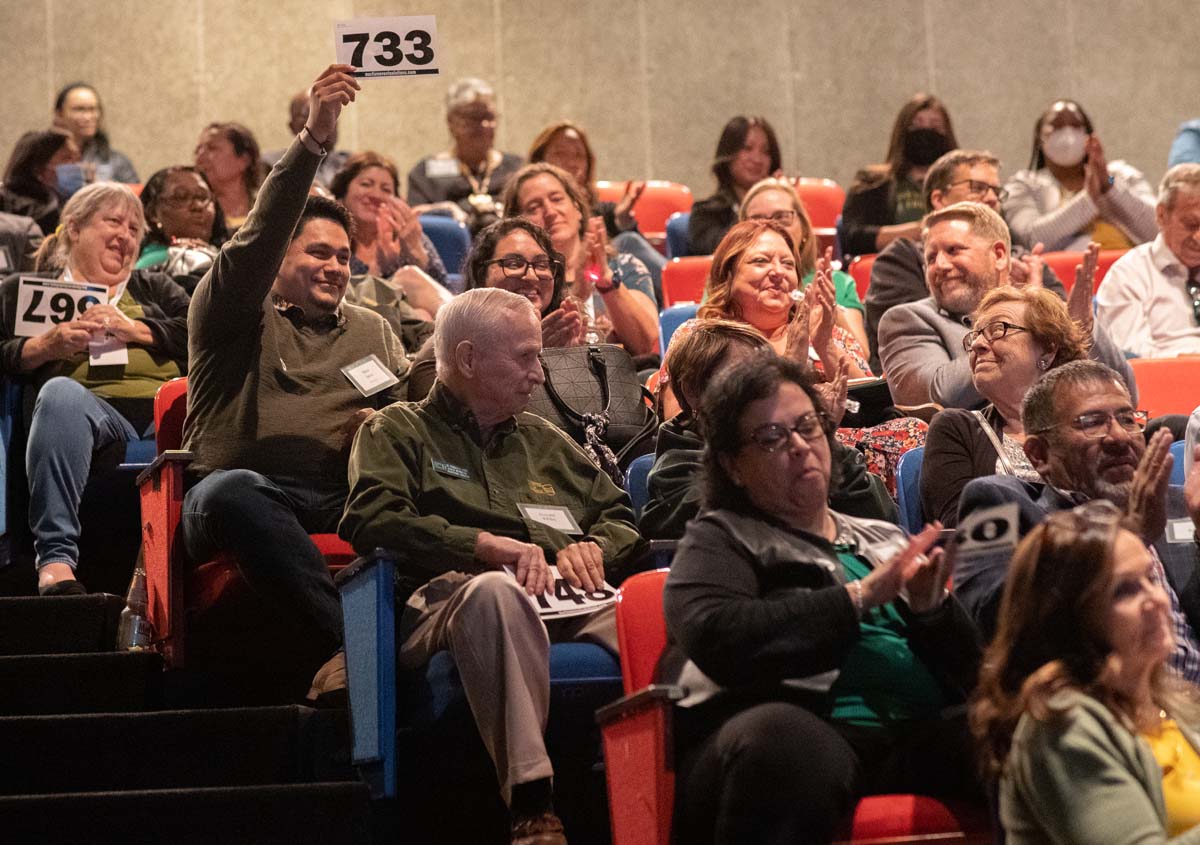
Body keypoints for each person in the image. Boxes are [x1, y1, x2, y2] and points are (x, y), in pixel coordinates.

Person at [339, 287, 644, 845]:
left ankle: (678, 786)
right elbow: (372, 520)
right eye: (525, 357)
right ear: (469, 358)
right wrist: (484, 546)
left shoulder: (545, 440)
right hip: (446, 602)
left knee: (659, 609)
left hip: (565, 596)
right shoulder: (396, 430)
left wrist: (597, 547)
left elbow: (619, 516)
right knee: (493, 595)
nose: (539, 373)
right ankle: (532, 806)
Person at [662, 353, 981, 844]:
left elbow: (975, 672)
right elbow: (715, 632)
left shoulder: (880, 536)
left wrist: (932, 612)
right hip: (811, 728)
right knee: (784, 743)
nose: (799, 446)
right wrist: (857, 597)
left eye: (806, 426)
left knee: (1032, 726)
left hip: (914, 734)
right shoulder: (721, 538)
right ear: (733, 465)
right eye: (771, 438)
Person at [181, 66, 409, 686]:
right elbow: (255, 237)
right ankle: (367, 648)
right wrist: (314, 140)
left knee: (413, 507)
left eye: (343, 256)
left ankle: (380, 655)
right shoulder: (231, 308)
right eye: (317, 252)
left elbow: (415, 410)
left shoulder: (373, 330)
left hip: (343, 498)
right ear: (279, 256)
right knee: (237, 490)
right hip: (237, 499)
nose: (335, 266)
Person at [954, 361, 1200, 687]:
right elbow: (990, 621)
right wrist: (1127, 540)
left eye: (1128, 419)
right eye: (1092, 423)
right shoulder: (990, 503)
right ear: (1039, 454)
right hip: (1103, 711)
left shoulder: (1179, 503)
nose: (1118, 437)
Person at [970, 499, 1200, 844]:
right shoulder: (1061, 724)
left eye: (1150, 577)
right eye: (1125, 589)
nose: (1156, 599)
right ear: (1071, 616)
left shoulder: (1171, 698)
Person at [0, 182, 189, 594]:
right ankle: (55, 563)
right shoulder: (23, 291)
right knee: (60, 394)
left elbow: (200, 334)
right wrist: (45, 345)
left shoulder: (154, 287)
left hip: (166, 415)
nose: (125, 235)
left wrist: (135, 329)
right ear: (73, 228)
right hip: (91, 415)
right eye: (114, 222)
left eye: (135, 229)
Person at [658, 219, 925, 489]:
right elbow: (677, 418)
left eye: (787, 264)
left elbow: (872, 405)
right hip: (759, 451)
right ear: (728, 274)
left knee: (915, 431)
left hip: (841, 442)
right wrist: (790, 369)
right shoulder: (702, 335)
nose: (778, 272)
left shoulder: (825, 331)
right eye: (761, 261)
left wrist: (825, 346)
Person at [640, 319, 896, 540]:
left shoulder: (795, 443)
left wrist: (824, 438)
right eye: (745, 380)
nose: (765, 394)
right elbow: (721, 526)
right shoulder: (676, 466)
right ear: (693, 392)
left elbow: (881, 519)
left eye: (767, 378)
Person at [878, 202, 1134, 409]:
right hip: (979, 450)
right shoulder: (907, 319)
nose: (940, 266)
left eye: (953, 250)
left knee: (1170, 429)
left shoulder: (1048, 318)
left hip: (1066, 441)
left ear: (999, 255)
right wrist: (1026, 330)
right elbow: (934, 395)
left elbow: (1126, 393)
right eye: (930, 258)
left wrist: (1080, 328)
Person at [863, 149, 1067, 372]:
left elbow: (1068, 344)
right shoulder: (899, 260)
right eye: (977, 188)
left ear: (999, 255)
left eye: (996, 191)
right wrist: (1021, 312)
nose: (991, 198)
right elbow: (917, 345)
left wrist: (1035, 300)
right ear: (938, 199)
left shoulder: (1026, 260)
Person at [920, 286, 1088, 527]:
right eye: (975, 335)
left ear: (1048, 349)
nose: (977, 344)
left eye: (998, 330)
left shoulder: (1089, 426)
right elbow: (962, 531)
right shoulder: (957, 428)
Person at [405, 217, 579, 400]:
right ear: (481, 274)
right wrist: (533, 357)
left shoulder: (570, 332)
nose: (531, 276)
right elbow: (448, 420)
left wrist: (572, 359)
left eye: (542, 264)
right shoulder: (444, 349)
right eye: (513, 264)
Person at [502, 163, 659, 357]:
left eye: (557, 199)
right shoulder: (523, 281)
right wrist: (578, 293)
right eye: (534, 207)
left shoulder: (624, 266)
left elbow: (645, 344)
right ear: (518, 223)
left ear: (576, 207)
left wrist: (605, 279)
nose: (550, 212)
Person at [528, 120, 665, 295]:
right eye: (560, 153)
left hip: (608, 289)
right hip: (555, 280)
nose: (571, 162)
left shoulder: (601, 211)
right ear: (540, 160)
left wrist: (622, 221)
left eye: (578, 155)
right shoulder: (529, 207)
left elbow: (614, 222)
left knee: (628, 242)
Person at [1003, 99, 1156, 252]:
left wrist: (1109, 185)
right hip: (1061, 273)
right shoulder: (1023, 185)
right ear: (1040, 137)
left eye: (1075, 126)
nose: (1067, 133)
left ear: (1088, 135)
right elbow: (1031, 240)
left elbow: (1160, 228)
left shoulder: (1118, 175)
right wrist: (1088, 200)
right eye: (1057, 126)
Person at [741, 176, 870, 353]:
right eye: (757, 220)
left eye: (782, 217)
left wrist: (828, 309)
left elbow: (862, 354)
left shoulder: (836, 282)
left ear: (802, 227)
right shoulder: (728, 280)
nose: (771, 226)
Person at [328, 150, 451, 318]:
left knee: (421, 312)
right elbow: (338, 297)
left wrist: (415, 252)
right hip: (353, 319)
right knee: (408, 279)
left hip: (408, 324)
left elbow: (443, 289)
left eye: (385, 189)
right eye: (366, 184)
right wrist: (379, 271)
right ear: (343, 192)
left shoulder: (408, 236)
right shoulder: (331, 237)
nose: (376, 195)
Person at [1096, 164, 1200, 357]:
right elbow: (1130, 356)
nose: (1198, 237)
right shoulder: (1129, 274)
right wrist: (1190, 361)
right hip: (1164, 381)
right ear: (1162, 215)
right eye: (1191, 224)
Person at [838, 94, 957, 256]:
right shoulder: (871, 181)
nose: (925, 133)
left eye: (935, 127)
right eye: (916, 125)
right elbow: (852, 237)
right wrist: (922, 230)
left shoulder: (961, 184)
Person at [406, 78, 523, 234]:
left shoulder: (517, 168)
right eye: (474, 117)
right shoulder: (426, 174)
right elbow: (417, 226)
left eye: (489, 117)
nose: (484, 126)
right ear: (451, 122)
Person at [686, 116, 780, 255]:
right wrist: (756, 207)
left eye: (765, 151)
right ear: (728, 154)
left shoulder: (783, 211)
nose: (757, 159)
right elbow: (719, 254)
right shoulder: (706, 213)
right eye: (747, 148)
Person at [135, 166, 228, 293]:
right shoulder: (150, 264)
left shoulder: (228, 252)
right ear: (153, 213)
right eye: (181, 197)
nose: (197, 206)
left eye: (203, 197)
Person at [261, 89, 351, 189]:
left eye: (329, 115)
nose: (325, 123)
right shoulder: (270, 165)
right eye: (310, 115)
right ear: (292, 127)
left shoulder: (352, 165)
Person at [51, 82, 138, 184]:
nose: (88, 117)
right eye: (79, 109)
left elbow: (135, 197)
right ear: (59, 114)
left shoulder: (117, 161)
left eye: (93, 109)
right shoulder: (46, 160)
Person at [0, 129, 79, 234]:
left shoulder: (69, 204)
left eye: (76, 159)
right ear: (37, 167)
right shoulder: (6, 204)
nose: (75, 166)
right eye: (67, 158)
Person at [194, 122, 262, 231]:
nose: (200, 156)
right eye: (197, 150)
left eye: (212, 148)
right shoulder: (194, 215)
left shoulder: (269, 210)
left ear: (244, 160)